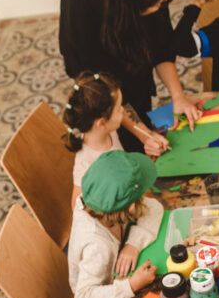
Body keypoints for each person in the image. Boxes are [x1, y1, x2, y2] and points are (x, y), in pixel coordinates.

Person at [59, 0, 202, 148]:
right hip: (99, 78)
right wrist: (143, 134)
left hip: (129, 62)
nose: (164, 5)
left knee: (142, 105)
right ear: (132, 11)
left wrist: (178, 96)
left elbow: (161, 47)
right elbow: (103, 88)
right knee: (125, 140)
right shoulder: (83, 6)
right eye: (158, 4)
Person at [69, 150, 161, 298]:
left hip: (117, 278)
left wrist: (133, 244)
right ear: (132, 206)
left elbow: (155, 208)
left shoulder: (99, 201)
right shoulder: (96, 246)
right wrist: (132, 285)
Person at [64, 72, 169, 207]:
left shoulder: (106, 129)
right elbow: (76, 207)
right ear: (102, 123)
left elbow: (124, 115)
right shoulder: (87, 164)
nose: (123, 110)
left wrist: (147, 135)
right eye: (118, 108)